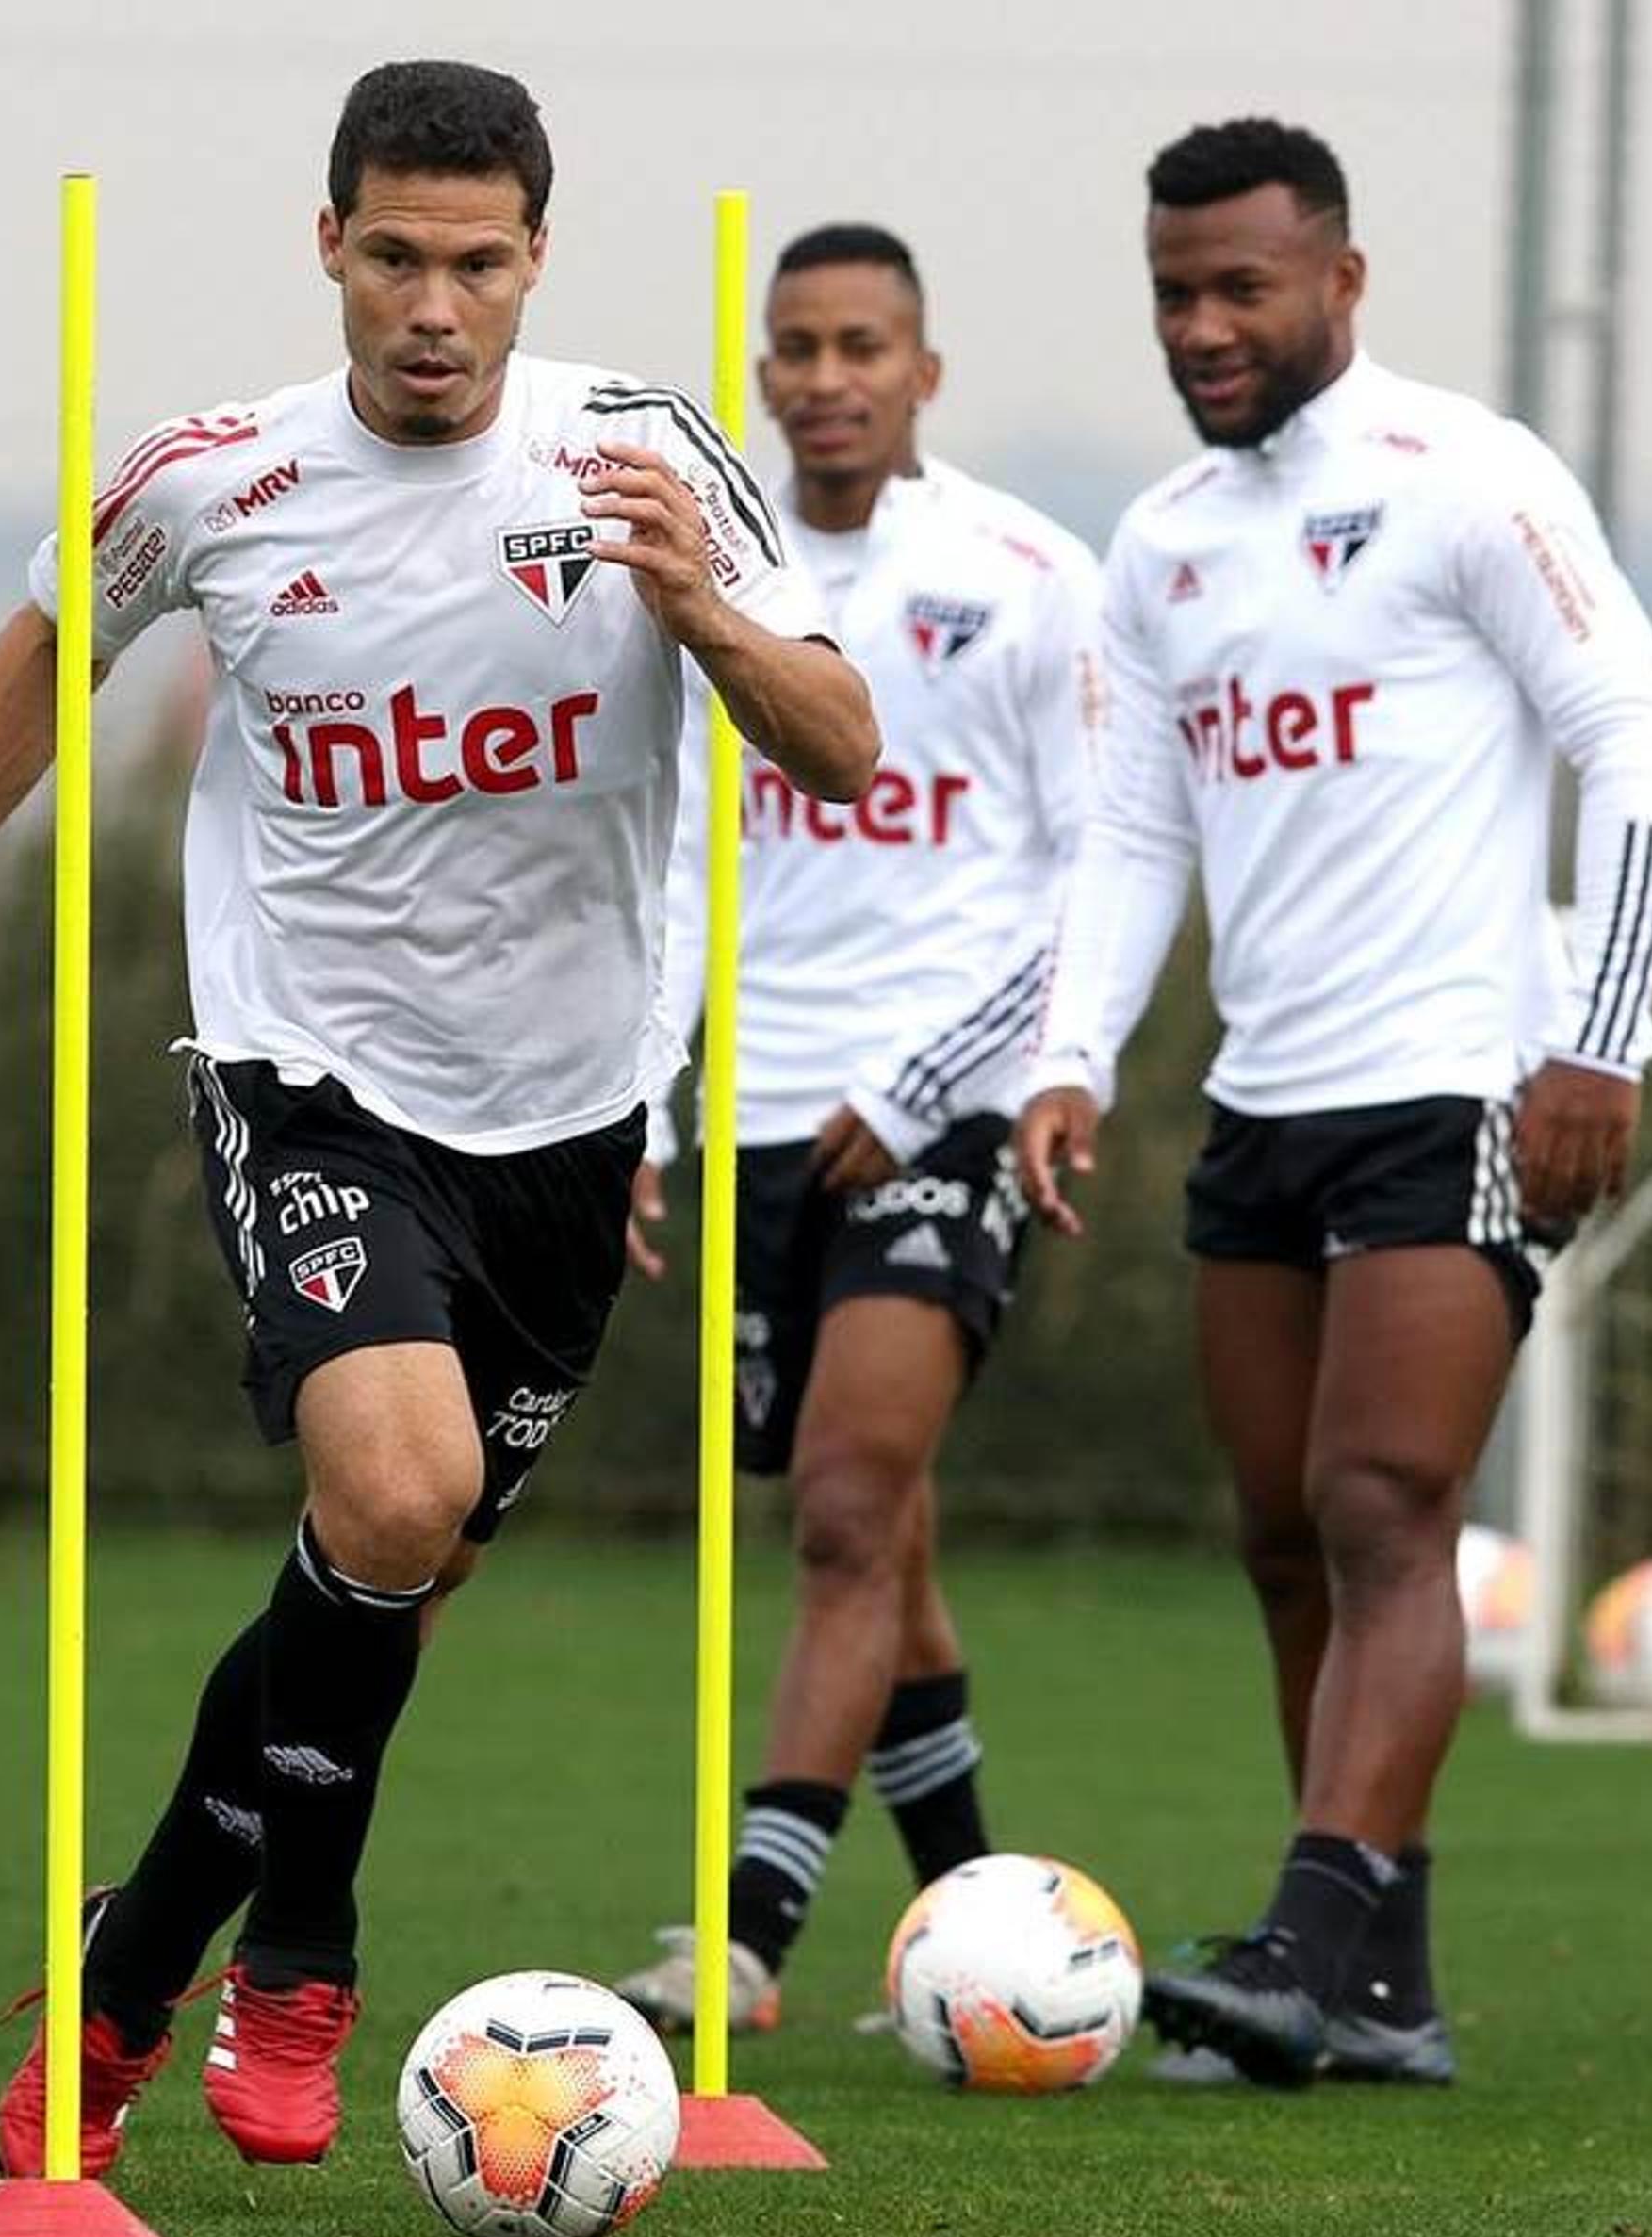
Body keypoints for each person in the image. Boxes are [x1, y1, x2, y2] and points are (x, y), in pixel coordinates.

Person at [0, 60, 874, 2179]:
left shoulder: (642, 456)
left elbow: (835, 743)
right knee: (394, 1491)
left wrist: (703, 608)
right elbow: (53, 639)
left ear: (538, 257)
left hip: (565, 1115)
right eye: (392, 258)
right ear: (328, 246)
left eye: (475, 262)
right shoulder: (215, 479)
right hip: (309, 1071)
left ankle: (134, 1955)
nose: (432, 307)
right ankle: (305, 1952)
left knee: (387, 1572)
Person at [1013, 117, 1652, 2088]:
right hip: (1267, 1104)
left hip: (1462, 1078)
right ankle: (1384, 1990)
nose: (1205, 327)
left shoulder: (1463, 480)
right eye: (1174, 294)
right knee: (1283, 1539)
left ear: (1341, 281)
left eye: (1243, 287)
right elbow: (1137, 830)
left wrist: (1605, 1041)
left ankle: (1306, 1943)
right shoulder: (1162, 544)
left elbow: (1637, 751)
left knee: (1388, 1505)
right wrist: (1074, 1053)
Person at [607, 224, 1101, 2033]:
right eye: (797, 346)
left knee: (837, 1513)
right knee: (883, 1537)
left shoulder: (1030, 573)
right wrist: (635, 1106)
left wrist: (927, 1085)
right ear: (765, 368)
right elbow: (665, 869)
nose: (828, 376)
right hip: (750, 1127)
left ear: (922, 370)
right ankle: (984, 1929)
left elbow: (1092, 875)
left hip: (944, 1120)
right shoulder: (696, 575)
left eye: (863, 345)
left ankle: (742, 1938)